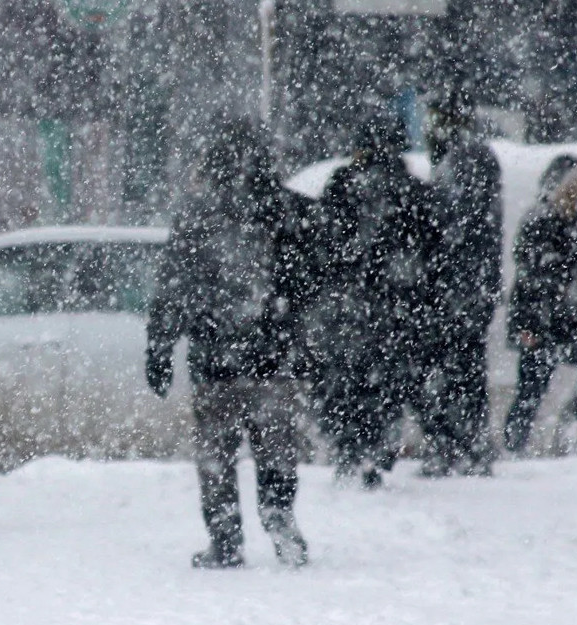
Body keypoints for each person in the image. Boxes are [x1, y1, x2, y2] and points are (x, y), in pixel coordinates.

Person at [146, 117, 310, 569]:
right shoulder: (288, 211)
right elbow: (312, 283)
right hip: (274, 359)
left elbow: (173, 289)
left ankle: (225, 539)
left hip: (215, 358)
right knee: (276, 451)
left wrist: (159, 348)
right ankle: (279, 518)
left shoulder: (197, 216)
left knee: (216, 457)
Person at [313, 112, 439, 489]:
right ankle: (378, 451)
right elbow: (433, 252)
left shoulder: (341, 184)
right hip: (398, 307)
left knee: (345, 381)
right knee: (388, 384)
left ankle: (348, 449)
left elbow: (322, 243)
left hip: (349, 306)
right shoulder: (413, 190)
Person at [421, 89, 504, 476]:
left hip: (459, 286)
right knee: (464, 366)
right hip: (469, 284)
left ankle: (457, 447)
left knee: (456, 365)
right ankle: (465, 445)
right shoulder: (475, 157)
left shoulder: (465, 159)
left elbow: (454, 223)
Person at [504, 155, 577, 456]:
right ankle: (519, 446)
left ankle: (573, 427)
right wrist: (530, 327)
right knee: (532, 389)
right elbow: (534, 277)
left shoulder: (567, 224)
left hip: (560, 323)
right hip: (538, 324)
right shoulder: (540, 221)